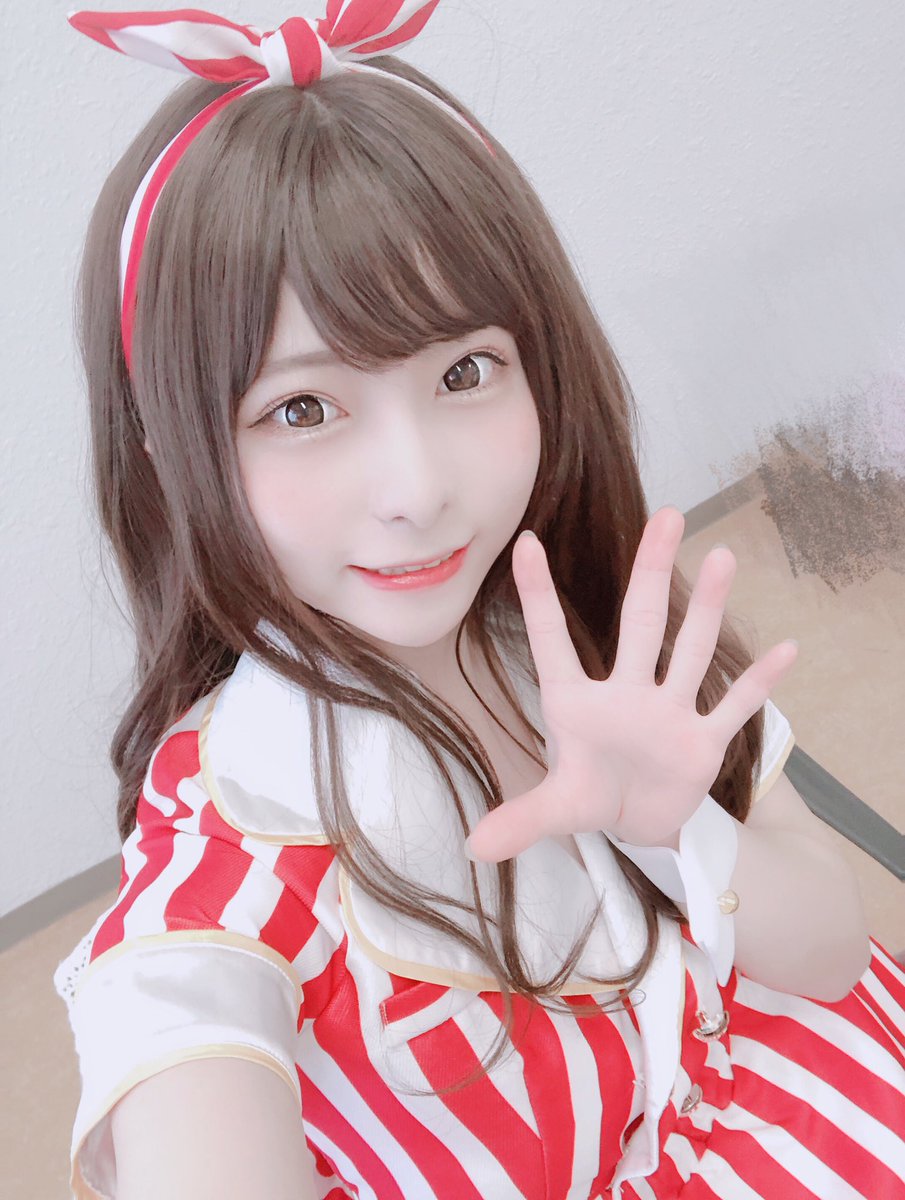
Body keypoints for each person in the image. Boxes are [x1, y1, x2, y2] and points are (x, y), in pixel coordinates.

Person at [53, 4, 905, 1199]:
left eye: (464, 371)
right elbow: (184, 1035)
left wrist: (681, 833)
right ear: (169, 452)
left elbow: (827, 958)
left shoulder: (599, 627)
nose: (418, 492)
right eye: (301, 408)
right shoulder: (234, 841)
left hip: (807, 1088)